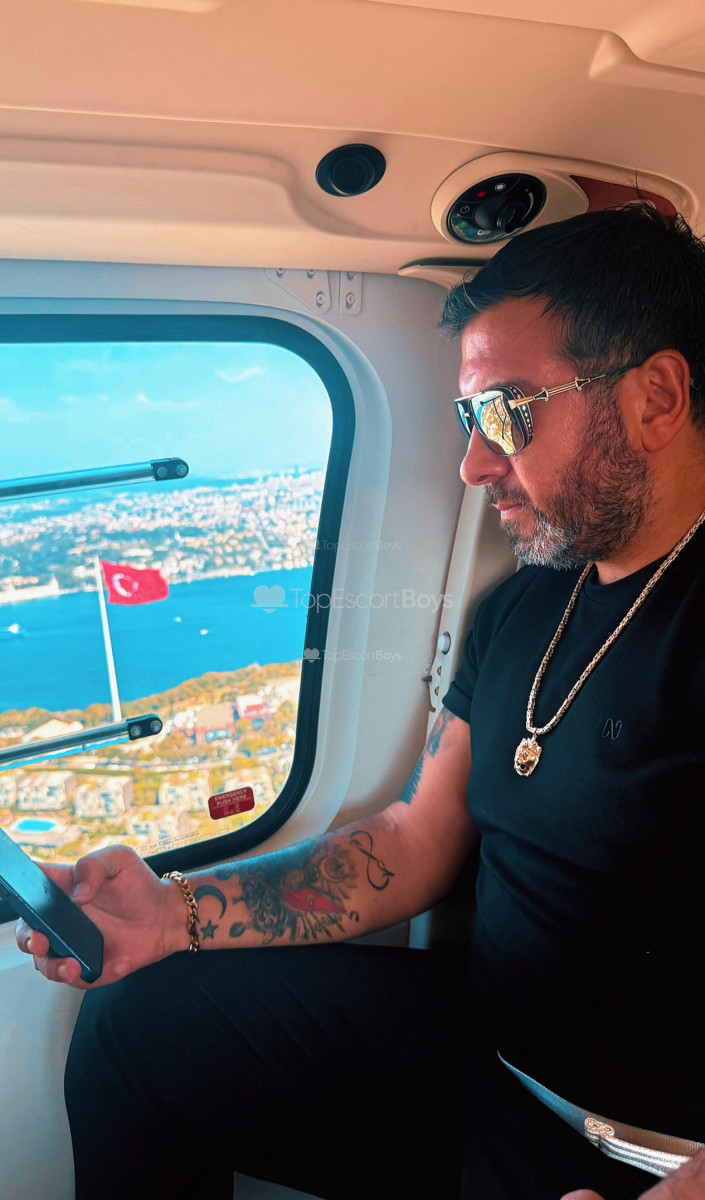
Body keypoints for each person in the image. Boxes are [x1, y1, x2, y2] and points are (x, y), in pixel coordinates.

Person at [15, 202, 705, 1200]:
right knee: (143, 1028)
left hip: (651, 1151)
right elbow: (412, 841)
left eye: (508, 412)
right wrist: (170, 915)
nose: (474, 464)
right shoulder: (524, 608)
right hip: (483, 1058)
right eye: (469, 420)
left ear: (658, 399)